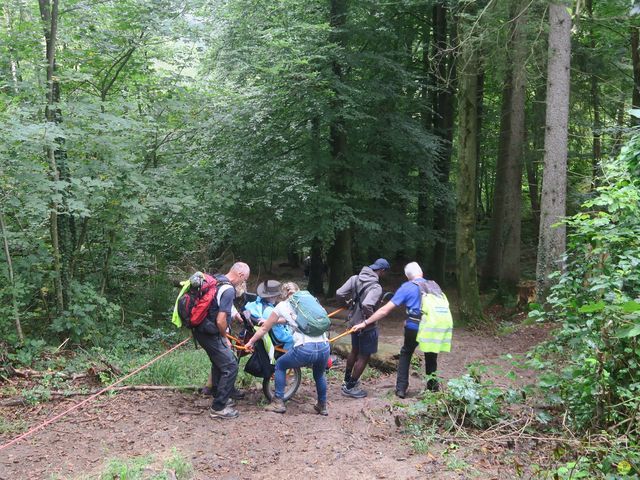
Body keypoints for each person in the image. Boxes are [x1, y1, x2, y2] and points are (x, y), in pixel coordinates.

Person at [352, 262, 451, 398]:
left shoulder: (407, 287)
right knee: (431, 355)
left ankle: (401, 389)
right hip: (434, 326)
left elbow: (385, 310)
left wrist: (366, 322)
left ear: (407, 276)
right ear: (421, 272)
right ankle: (432, 389)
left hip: (415, 326)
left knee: (406, 352)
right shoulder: (434, 285)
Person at [245, 282, 331, 415]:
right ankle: (322, 405)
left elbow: (264, 328)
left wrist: (251, 341)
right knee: (319, 374)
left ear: (283, 294)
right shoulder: (310, 301)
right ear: (298, 291)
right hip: (324, 346)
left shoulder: (282, 306)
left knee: (280, 365)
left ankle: (278, 402)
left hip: (305, 348)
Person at [193, 262, 250, 419]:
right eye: (244, 279)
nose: (243, 283)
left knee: (220, 363)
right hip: (210, 331)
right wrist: (225, 337)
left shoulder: (217, 280)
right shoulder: (229, 289)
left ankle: (220, 394)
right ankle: (219, 408)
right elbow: (220, 320)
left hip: (201, 328)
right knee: (230, 365)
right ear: (240, 275)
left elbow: (218, 304)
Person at [336, 258, 390, 398]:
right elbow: (367, 304)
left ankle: (347, 380)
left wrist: (347, 304)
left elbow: (339, 293)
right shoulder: (376, 287)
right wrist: (371, 320)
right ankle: (351, 386)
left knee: (354, 350)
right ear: (382, 271)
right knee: (364, 356)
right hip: (366, 326)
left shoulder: (355, 278)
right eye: (385, 273)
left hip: (353, 323)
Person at [247, 280, 294, 350]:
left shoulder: (255, 305)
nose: (277, 297)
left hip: (271, 333)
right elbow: (286, 320)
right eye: (276, 296)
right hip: (279, 337)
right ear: (272, 297)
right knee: (298, 338)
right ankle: (288, 354)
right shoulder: (270, 311)